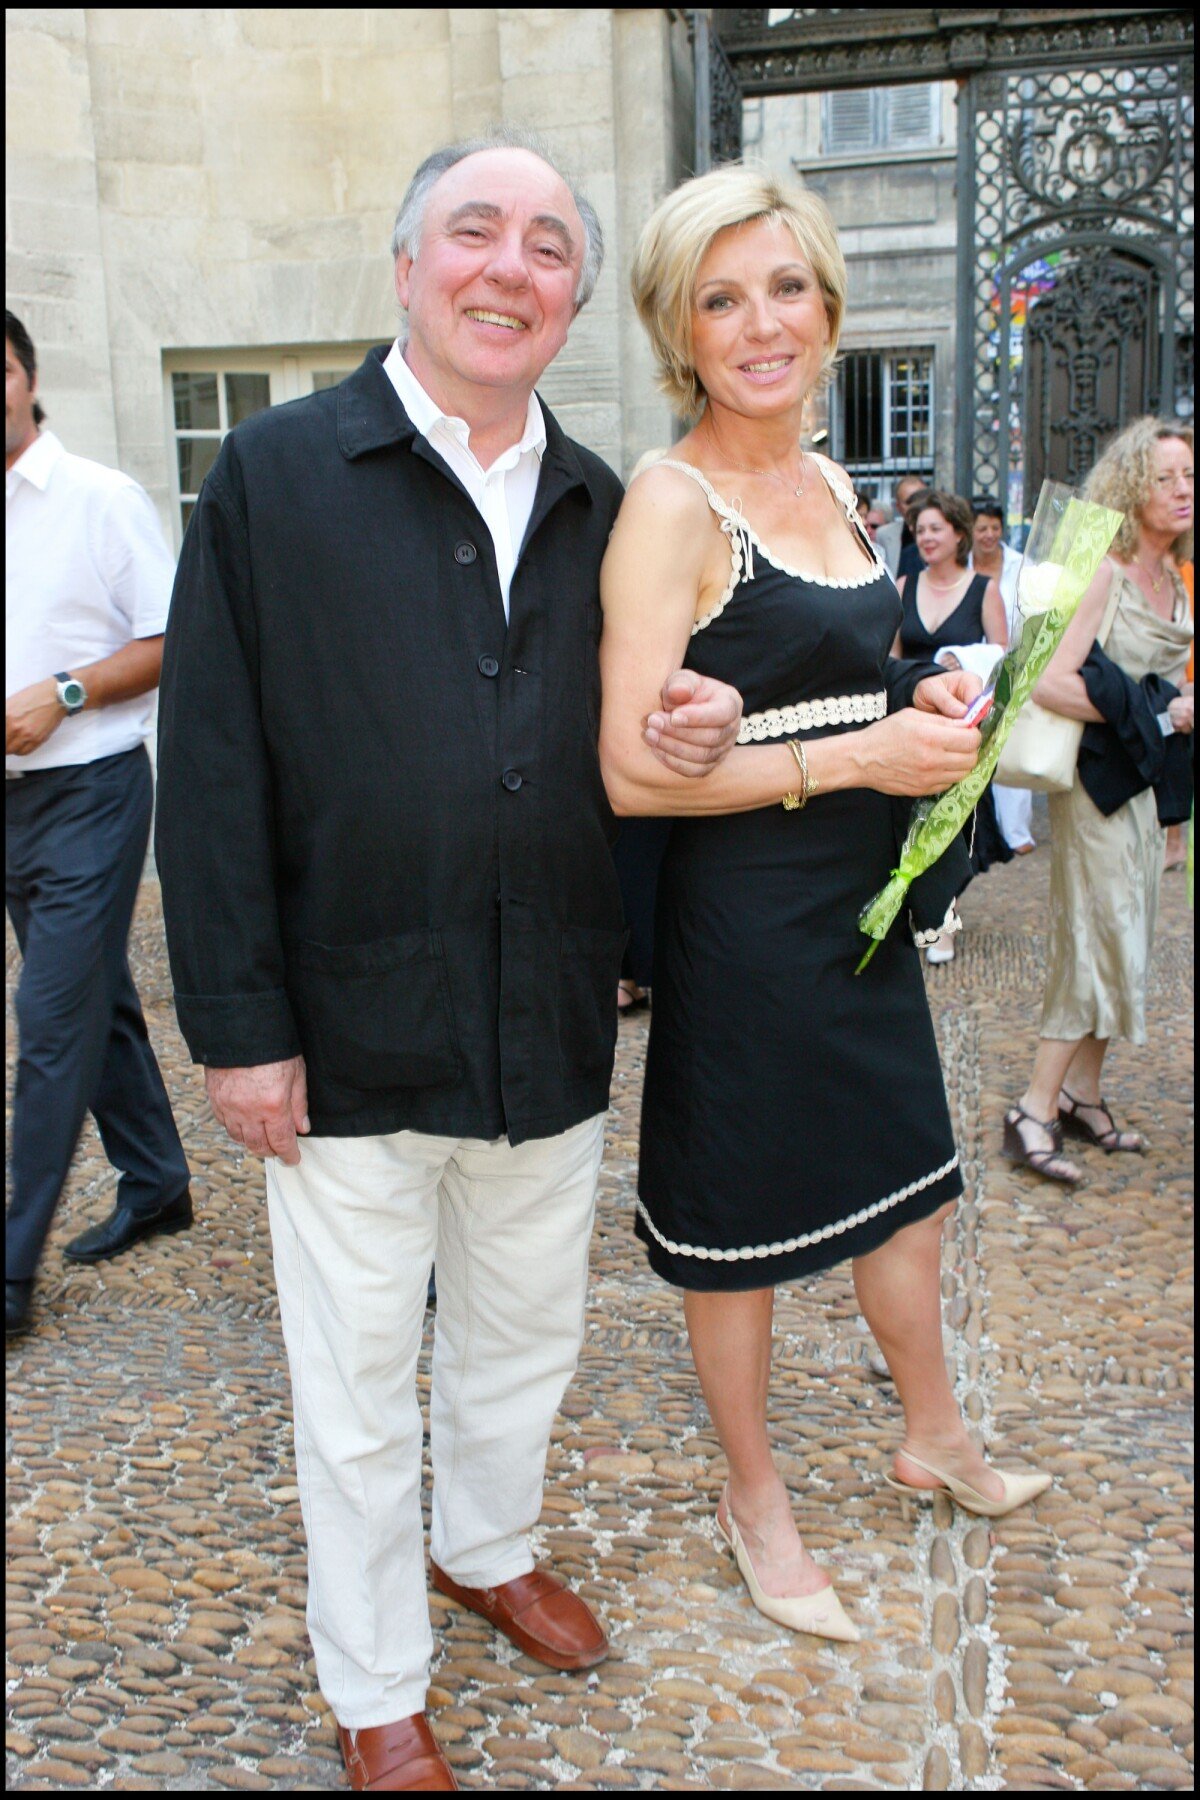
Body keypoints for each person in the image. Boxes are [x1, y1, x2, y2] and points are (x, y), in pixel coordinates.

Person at [154, 134, 743, 1794]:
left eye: (548, 245)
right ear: (407, 267)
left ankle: (487, 1547)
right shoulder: (274, 477)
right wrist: (240, 1028)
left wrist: (691, 728)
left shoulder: (608, 502)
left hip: (546, 1007)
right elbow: (204, 770)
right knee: (352, 1385)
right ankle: (374, 1682)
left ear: (575, 302)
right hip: (343, 1032)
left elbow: (640, 741)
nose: (510, 265)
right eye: (473, 231)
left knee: (524, 1339)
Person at [599, 164, 1050, 1648]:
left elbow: (822, 679)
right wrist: (857, 750)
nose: (760, 322)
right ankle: (754, 1495)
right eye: (720, 298)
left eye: (785, 287)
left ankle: (936, 1433)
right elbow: (627, 775)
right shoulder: (672, 505)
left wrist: (913, 701)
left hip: (863, 916)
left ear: (831, 308)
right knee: (743, 1227)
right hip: (742, 930)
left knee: (905, 1187)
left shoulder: (834, 488)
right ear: (680, 329)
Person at [5, 312, 191, 1340]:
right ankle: (158, 1178)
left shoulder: (98, 499)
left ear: (28, 376)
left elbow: (174, 634)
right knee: (93, 999)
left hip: (89, 793)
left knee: (51, 1020)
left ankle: (9, 1270)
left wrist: (66, 691)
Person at [1007, 418, 1193, 1185]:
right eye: (1165, 478)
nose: (1182, 491)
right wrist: (1150, 711)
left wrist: (1170, 708)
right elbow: (1049, 678)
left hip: (1146, 779)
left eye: (1189, 477)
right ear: (1130, 486)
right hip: (1096, 782)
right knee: (1092, 934)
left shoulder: (1176, 578)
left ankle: (1083, 1094)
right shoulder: (1106, 571)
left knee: (1131, 933)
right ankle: (1034, 1107)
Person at [894, 490, 1010, 961]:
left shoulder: (984, 589)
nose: (925, 537)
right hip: (914, 722)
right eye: (919, 529)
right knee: (911, 820)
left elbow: (1002, 659)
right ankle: (921, 904)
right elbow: (892, 658)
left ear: (959, 534)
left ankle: (942, 914)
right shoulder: (902, 586)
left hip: (962, 726)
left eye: (935, 529)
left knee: (951, 821)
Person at [971, 495, 1035, 853]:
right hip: (971, 665)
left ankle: (1017, 830)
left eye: (995, 527)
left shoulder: (1018, 564)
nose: (989, 535)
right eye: (982, 528)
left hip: (1011, 660)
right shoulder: (962, 563)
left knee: (1010, 742)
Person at [876, 472, 927, 576]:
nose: (916, 506)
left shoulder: (943, 533)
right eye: (909, 502)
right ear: (898, 507)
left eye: (920, 500)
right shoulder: (884, 535)